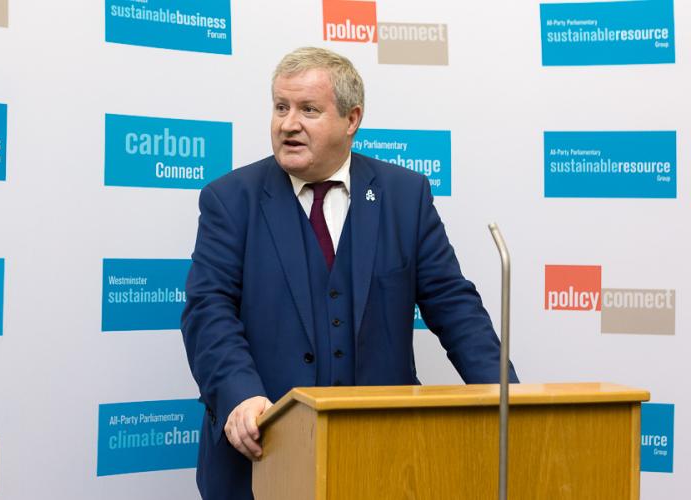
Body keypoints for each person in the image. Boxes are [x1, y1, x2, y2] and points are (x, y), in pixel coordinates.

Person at [181, 47, 518, 500]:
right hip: (262, 456)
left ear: (351, 118)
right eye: (281, 107)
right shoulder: (230, 199)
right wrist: (239, 396)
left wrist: (510, 401)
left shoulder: (405, 196)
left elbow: (454, 306)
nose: (288, 123)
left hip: (385, 456)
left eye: (308, 110)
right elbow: (209, 310)